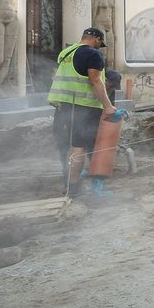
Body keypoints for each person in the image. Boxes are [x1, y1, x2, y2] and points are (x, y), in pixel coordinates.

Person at [48, 27, 116, 194]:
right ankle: (74, 188)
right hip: (84, 108)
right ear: (97, 40)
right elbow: (95, 81)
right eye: (100, 44)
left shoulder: (65, 53)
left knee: (71, 146)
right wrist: (108, 106)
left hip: (63, 107)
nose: (99, 47)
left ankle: (72, 184)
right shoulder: (93, 54)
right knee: (80, 148)